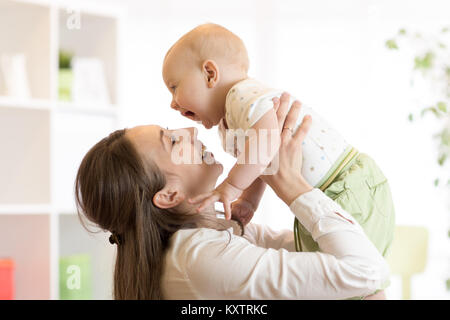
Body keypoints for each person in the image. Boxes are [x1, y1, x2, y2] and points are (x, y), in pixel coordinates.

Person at [75, 95, 389, 299]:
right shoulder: (199, 256)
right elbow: (366, 271)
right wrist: (292, 185)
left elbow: (341, 262)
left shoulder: (214, 233)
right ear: (169, 195)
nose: (191, 131)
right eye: (172, 141)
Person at [162, 23, 395, 263]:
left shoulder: (241, 95)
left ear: (210, 73)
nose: (172, 103)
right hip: (323, 199)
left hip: (346, 186)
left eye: (174, 87)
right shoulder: (229, 118)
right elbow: (262, 160)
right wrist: (250, 201)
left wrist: (232, 186)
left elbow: (266, 139)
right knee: (340, 281)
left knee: (354, 280)